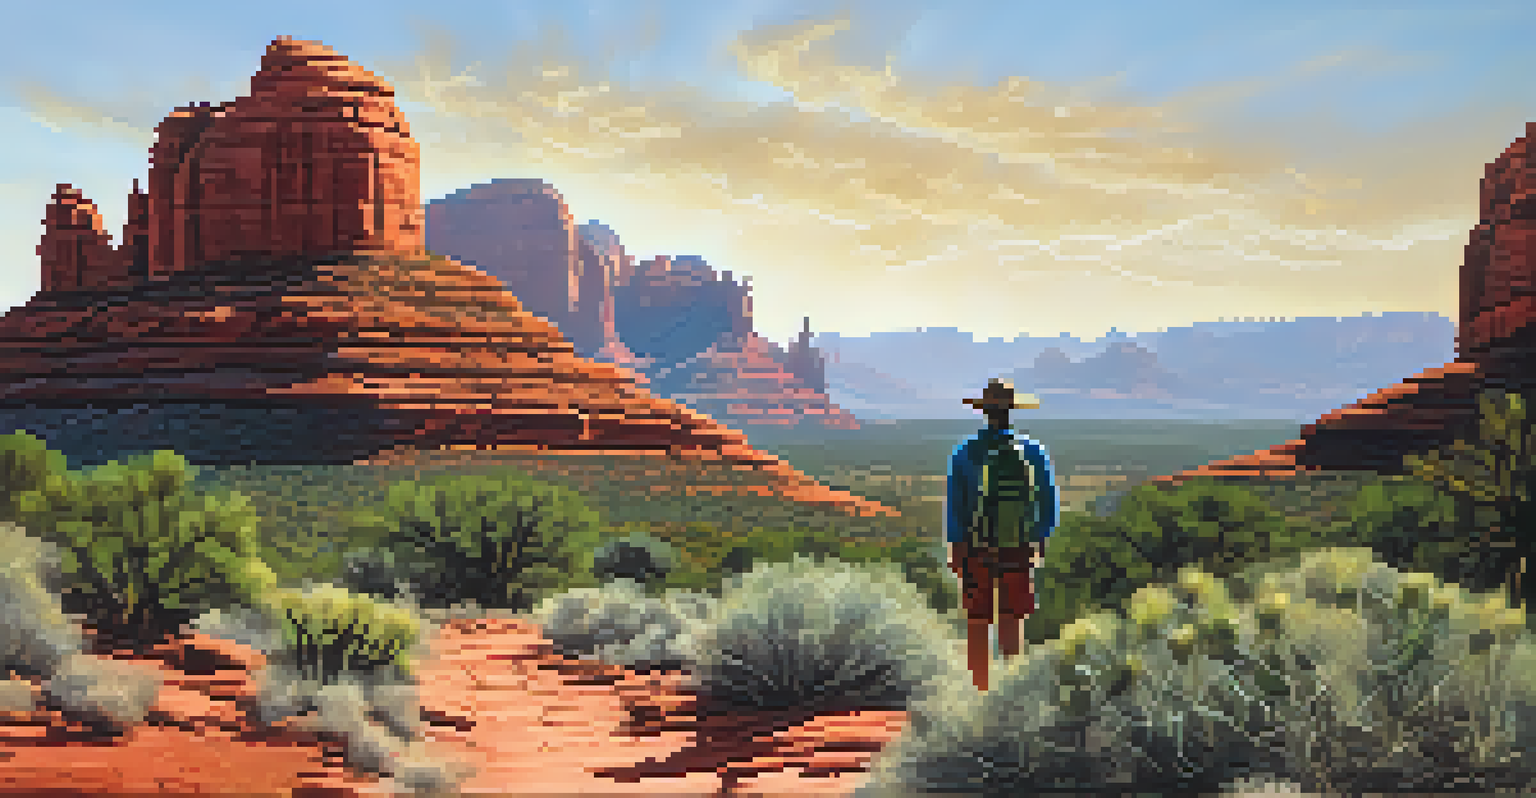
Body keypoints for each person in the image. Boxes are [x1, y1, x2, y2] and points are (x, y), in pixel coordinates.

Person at [946, 377, 1059, 692]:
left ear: (984, 412)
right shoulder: (1033, 452)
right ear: (1011, 410)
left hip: (975, 547)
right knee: (1012, 619)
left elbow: (956, 506)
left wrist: (957, 549)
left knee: (978, 621)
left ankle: (979, 690)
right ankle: (1011, 693)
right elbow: (1047, 502)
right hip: (1018, 547)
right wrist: (1039, 539)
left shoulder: (965, 452)